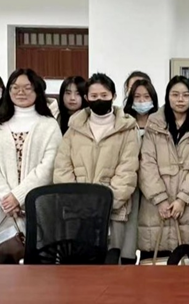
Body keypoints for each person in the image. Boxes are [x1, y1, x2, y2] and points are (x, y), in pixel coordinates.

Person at [53, 73, 140, 257]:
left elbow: (127, 172)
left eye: (104, 95)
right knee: (79, 265)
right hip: (77, 213)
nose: (99, 99)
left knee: (112, 266)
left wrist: (104, 204)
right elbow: (62, 168)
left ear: (113, 96)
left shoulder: (128, 129)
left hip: (113, 211)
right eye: (94, 96)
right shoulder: (74, 128)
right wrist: (79, 203)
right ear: (86, 98)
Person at [0, 68, 62, 233]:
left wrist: (19, 196)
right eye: (15, 87)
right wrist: (7, 200)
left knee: (39, 246)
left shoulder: (49, 125)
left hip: (38, 204)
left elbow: (49, 166)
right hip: (4, 209)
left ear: (37, 90)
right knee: (6, 247)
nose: (20, 92)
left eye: (27, 88)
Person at [138, 76, 189, 262]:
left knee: (186, 266)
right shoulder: (154, 124)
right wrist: (160, 199)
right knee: (154, 268)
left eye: (185, 95)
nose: (180, 99)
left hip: (188, 206)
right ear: (167, 97)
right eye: (175, 95)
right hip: (154, 207)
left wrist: (182, 199)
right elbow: (146, 164)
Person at [121, 78, 159, 265]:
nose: (142, 101)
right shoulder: (124, 123)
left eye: (146, 96)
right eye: (137, 97)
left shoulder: (159, 123)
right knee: (129, 233)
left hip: (153, 186)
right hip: (129, 186)